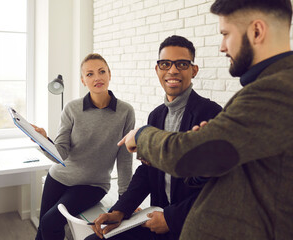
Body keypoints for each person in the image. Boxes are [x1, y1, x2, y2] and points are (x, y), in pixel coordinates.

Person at [118, 0, 293, 239]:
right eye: (165, 64)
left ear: (256, 31)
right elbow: (229, 171)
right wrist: (121, 208)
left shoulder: (275, 90)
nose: (222, 47)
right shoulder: (269, 88)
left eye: (225, 34)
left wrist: (140, 135)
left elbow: (188, 155)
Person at [85, 36, 222, 240]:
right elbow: (147, 171)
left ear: (194, 70)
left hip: (190, 225)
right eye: (165, 64)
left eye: (182, 64)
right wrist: (120, 210)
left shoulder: (211, 114)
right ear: (157, 70)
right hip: (157, 217)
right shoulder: (156, 116)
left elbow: (217, 187)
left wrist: (171, 218)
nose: (173, 70)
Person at [34, 53, 135, 240]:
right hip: (58, 177)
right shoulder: (72, 108)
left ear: (109, 74)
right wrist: (42, 140)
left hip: (93, 185)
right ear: (83, 80)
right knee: (42, 231)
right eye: (89, 74)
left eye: (101, 71)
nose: (97, 77)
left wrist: (125, 201)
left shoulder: (125, 111)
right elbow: (61, 153)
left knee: (50, 222)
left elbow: (124, 159)